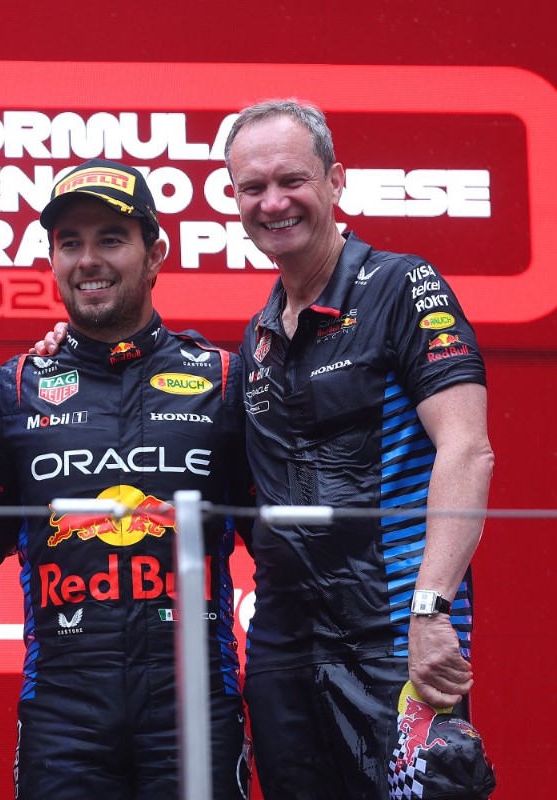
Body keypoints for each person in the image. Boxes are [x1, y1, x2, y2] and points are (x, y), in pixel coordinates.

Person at [224, 99, 494, 798]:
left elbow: (467, 451)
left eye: (293, 181)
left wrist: (431, 611)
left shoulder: (404, 286)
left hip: (398, 635)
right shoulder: (256, 339)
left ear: (336, 181)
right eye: (253, 188)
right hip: (285, 645)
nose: (273, 202)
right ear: (234, 199)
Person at [0, 158, 252, 799]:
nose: (88, 259)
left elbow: (282, 542)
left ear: (156, 253)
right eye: (70, 243)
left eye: (111, 239)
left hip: (195, 700)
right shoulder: (15, 386)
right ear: (51, 259)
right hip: (65, 709)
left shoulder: (223, 378)